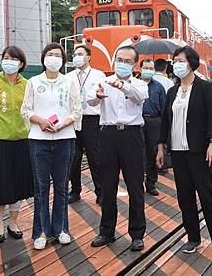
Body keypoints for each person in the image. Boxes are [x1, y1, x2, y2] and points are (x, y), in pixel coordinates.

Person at [156, 46, 212, 258]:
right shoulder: (172, 91)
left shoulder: (205, 87)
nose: (177, 63)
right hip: (178, 151)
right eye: (174, 60)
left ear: (191, 63)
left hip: (200, 151)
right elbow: (165, 121)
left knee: (206, 195)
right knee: (184, 196)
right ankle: (193, 237)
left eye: (180, 60)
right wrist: (161, 146)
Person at [87, 45, 148, 252]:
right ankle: (106, 231)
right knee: (107, 185)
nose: (123, 64)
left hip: (131, 135)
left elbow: (138, 97)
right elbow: (91, 100)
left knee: (135, 186)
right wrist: (97, 95)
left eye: (128, 61)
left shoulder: (140, 84)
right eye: (119, 60)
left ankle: (137, 234)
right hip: (108, 135)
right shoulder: (103, 81)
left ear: (135, 64)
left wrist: (121, 86)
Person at [22, 43, 82, 250]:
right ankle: (40, 231)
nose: (53, 58)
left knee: (61, 186)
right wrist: (39, 120)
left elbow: (77, 110)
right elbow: (26, 110)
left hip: (64, 139)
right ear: (43, 58)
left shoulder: (69, 82)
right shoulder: (33, 82)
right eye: (50, 54)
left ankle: (62, 229)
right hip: (39, 140)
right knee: (41, 188)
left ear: (63, 60)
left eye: (58, 55)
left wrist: (64, 123)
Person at [0, 45, 34, 243]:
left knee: (19, 182)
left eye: (13, 59)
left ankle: (13, 221)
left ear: (21, 63)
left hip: (22, 140)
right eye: (5, 57)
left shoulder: (28, 85)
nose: (9, 61)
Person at [66, 45, 106, 204]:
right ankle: (75, 190)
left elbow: (100, 97)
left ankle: (100, 192)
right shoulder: (68, 76)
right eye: (75, 54)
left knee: (95, 157)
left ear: (89, 57)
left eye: (80, 54)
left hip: (92, 120)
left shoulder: (98, 75)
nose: (77, 57)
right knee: (73, 158)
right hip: (73, 120)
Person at [139, 58, 166, 196]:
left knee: (152, 152)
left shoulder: (159, 87)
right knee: (137, 153)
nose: (148, 71)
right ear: (140, 68)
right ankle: (137, 184)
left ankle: (151, 183)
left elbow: (164, 108)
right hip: (137, 121)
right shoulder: (134, 84)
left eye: (151, 68)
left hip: (154, 121)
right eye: (146, 68)